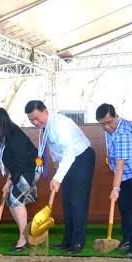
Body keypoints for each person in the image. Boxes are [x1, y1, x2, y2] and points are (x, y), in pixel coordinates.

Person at [25, 100, 95, 254]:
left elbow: (69, 152)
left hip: (81, 157)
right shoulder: (45, 127)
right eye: (31, 120)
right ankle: (67, 241)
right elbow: (53, 147)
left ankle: (78, 242)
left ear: (45, 111)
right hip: (67, 161)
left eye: (37, 118)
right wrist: (56, 164)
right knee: (67, 202)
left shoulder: (60, 124)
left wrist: (57, 178)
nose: (35, 122)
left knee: (77, 202)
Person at [96, 103, 132, 257]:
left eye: (109, 122)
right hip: (124, 175)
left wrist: (115, 189)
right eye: (103, 124)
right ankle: (127, 238)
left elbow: (120, 165)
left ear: (116, 116)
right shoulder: (109, 128)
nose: (107, 126)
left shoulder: (123, 132)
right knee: (124, 206)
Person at [0, 108, 38, 251]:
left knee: (15, 199)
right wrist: (9, 180)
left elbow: (21, 162)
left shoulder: (15, 135)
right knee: (10, 200)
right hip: (19, 170)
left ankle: (23, 239)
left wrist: (10, 182)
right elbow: (11, 162)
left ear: (5, 123)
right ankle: (24, 235)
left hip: (31, 169)